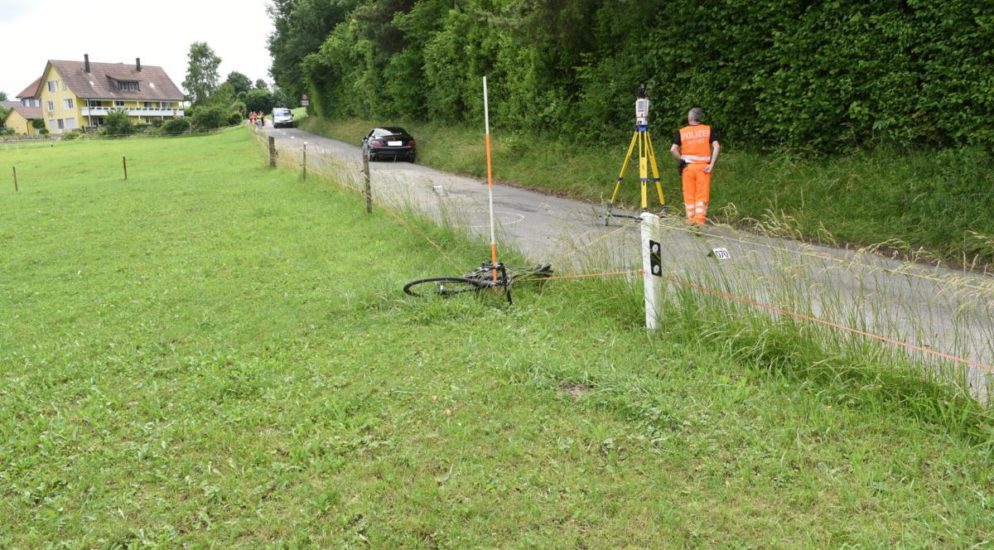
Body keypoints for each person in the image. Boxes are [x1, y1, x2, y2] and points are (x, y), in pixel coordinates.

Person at [670, 108, 720, 226]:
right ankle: (699, 223)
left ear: (689, 118)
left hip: (688, 168)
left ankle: (690, 221)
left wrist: (682, 159)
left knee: (689, 195)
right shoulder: (708, 130)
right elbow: (717, 146)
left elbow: (673, 149)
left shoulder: (682, 132)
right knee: (702, 195)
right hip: (703, 169)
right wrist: (711, 164)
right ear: (700, 118)